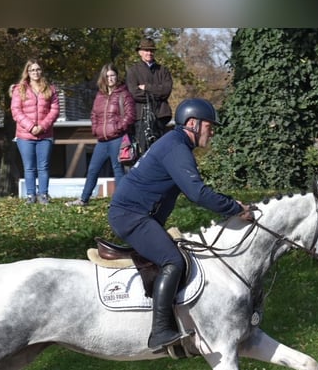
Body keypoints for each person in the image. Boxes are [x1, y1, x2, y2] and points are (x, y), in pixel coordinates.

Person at [107, 98, 254, 351]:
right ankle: (160, 331)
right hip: (131, 216)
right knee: (172, 260)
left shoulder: (175, 144)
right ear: (193, 124)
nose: (212, 131)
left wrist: (231, 204)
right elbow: (197, 193)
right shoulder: (176, 148)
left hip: (136, 215)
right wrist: (234, 208)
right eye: (210, 125)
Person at [65, 64, 136, 207]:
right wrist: (95, 129)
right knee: (93, 169)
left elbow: (130, 115)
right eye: (107, 76)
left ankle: (121, 202)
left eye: (112, 75)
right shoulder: (100, 95)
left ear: (117, 76)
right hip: (102, 140)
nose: (110, 79)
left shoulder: (124, 94)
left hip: (117, 138)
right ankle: (84, 199)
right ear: (103, 78)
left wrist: (118, 128)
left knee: (118, 169)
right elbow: (94, 115)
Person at [11, 59, 60, 205]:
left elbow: (55, 110)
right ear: (27, 72)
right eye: (32, 70)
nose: (35, 72)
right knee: (29, 167)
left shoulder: (50, 89)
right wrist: (31, 127)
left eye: (38, 69)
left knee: (43, 166)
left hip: (45, 135)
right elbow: (16, 111)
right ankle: (31, 195)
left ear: (41, 71)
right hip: (25, 135)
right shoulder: (19, 89)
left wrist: (43, 126)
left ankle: (43, 194)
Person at [125, 37, 173, 154]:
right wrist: (157, 91)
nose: (149, 53)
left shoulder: (163, 70)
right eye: (146, 50)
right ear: (140, 52)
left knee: (161, 151)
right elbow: (134, 93)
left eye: (151, 50)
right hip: (141, 117)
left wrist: (146, 88)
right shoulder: (133, 71)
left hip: (161, 117)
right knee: (144, 153)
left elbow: (166, 90)